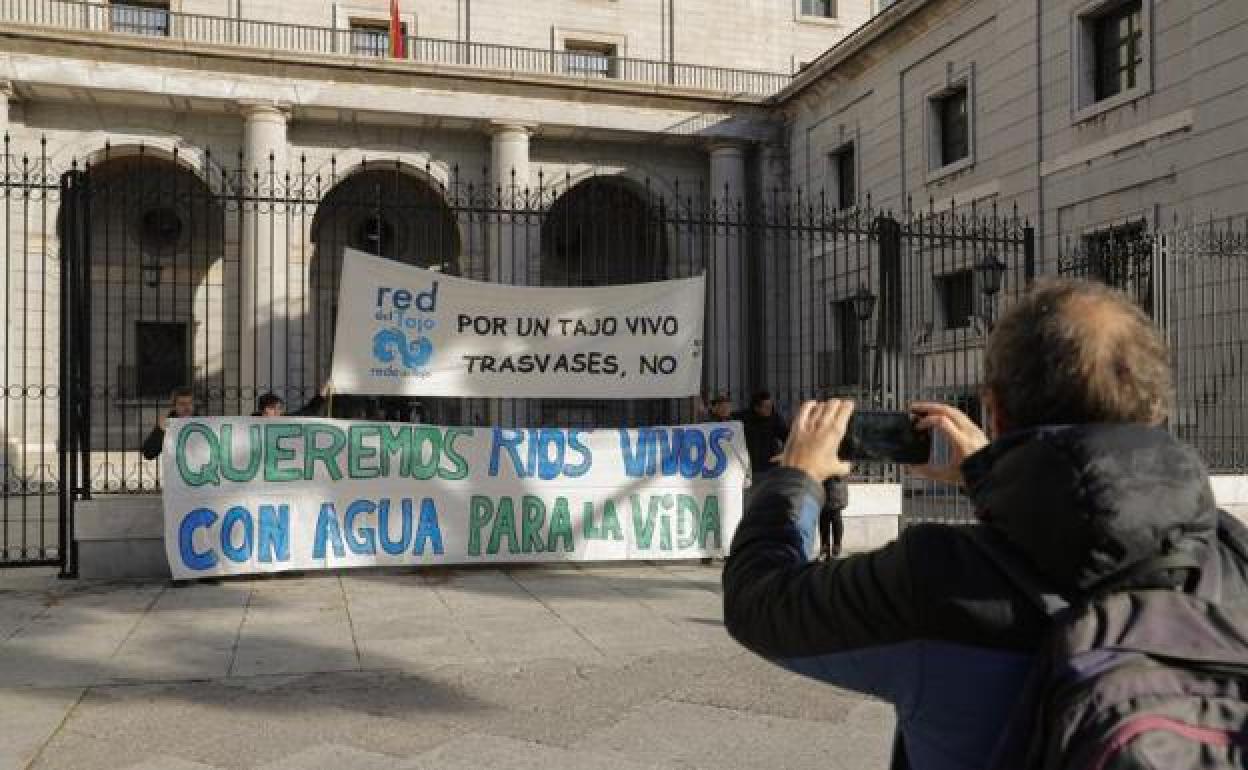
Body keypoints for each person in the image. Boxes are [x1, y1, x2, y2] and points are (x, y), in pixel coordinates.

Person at [722, 278, 1248, 770]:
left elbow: (757, 600)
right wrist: (991, 475)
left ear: (993, 411)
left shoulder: (938, 578)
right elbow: (1105, 519)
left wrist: (798, 477)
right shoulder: (1231, 553)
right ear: (1154, 410)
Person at [733, 390, 789, 478]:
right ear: (756, 408)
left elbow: (787, 436)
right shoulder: (742, 418)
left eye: (771, 406)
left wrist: (784, 453)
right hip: (748, 467)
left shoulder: (775, 419)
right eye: (766, 407)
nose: (769, 409)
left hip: (770, 466)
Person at [141, 386, 194, 460]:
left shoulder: (203, 423)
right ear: (174, 407)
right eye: (182, 404)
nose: (187, 407)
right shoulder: (167, 424)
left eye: (190, 403)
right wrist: (160, 430)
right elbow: (148, 453)